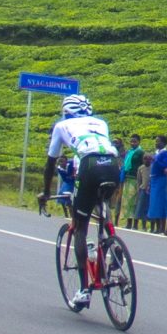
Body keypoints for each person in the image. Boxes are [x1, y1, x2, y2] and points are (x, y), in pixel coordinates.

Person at [38, 94, 124, 310]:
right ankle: (112, 241)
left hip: (89, 165)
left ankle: (84, 289)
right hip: (113, 165)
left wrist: (46, 192)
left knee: (80, 227)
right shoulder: (100, 123)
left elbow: (50, 164)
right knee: (102, 203)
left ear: (66, 112)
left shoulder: (62, 126)